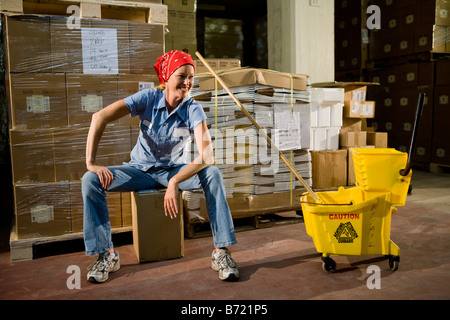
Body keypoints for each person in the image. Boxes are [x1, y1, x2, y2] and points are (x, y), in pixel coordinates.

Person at [82, 50, 239, 283]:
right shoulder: (147, 98)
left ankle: (221, 252)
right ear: (167, 77)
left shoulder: (192, 108)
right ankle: (107, 255)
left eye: (191, 77)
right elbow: (99, 117)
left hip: (172, 172)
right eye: (181, 76)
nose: (187, 82)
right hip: (138, 171)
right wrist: (91, 163)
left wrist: (175, 181)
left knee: (212, 174)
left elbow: (207, 156)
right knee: (90, 180)